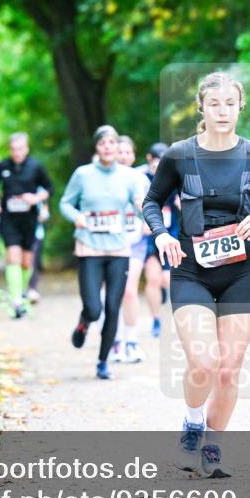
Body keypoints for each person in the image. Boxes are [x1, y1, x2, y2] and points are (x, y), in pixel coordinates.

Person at [143, 72, 250, 477]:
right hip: (191, 269)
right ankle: (192, 422)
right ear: (201, 108)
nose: (222, 111)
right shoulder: (179, 155)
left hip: (241, 271)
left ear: (240, 107)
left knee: (229, 368)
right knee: (203, 362)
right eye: (214, 104)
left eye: (229, 103)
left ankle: (213, 448)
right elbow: (152, 202)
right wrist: (160, 236)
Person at [60, 125, 145, 380]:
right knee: (94, 307)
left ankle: (103, 361)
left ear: (117, 147)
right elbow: (65, 202)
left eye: (112, 143)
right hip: (89, 247)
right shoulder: (83, 174)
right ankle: (84, 322)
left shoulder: (128, 177)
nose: (107, 147)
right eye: (102, 143)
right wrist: (77, 218)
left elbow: (139, 204)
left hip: (119, 248)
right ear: (97, 148)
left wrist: (147, 211)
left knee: (112, 306)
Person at [0, 133, 53, 318]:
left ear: (27, 148)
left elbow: (49, 188)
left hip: (29, 219)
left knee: (26, 262)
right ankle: (16, 301)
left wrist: (36, 198)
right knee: (12, 258)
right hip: (8, 219)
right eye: (14, 149)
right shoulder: (3, 166)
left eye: (20, 149)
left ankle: (22, 293)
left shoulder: (36, 166)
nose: (17, 152)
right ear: (10, 149)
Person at [110, 135, 154, 363]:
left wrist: (148, 221)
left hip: (135, 240)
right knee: (112, 293)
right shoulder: (106, 177)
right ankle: (114, 341)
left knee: (129, 290)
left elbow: (150, 205)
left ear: (133, 155)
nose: (124, 156)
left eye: (128, 152)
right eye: (120, 152)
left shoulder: (141, 178)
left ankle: (132, 341)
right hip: (110, 242)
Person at [142, 143, 178, 338]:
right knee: (153, 279)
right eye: (157, 161)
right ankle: (156, 319)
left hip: (170, 233)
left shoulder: (174, 176)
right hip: (148, 236)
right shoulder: (141, 178)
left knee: (167, 280)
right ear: (150, 159)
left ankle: (175, 315)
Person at [25, 187, 50, 304]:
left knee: (33, 261)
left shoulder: (40, 190)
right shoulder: (13, 186)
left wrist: (42, 215)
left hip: (36, 233)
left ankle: (32, 288)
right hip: (17, 232)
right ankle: (21, 288)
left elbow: (45, 210)